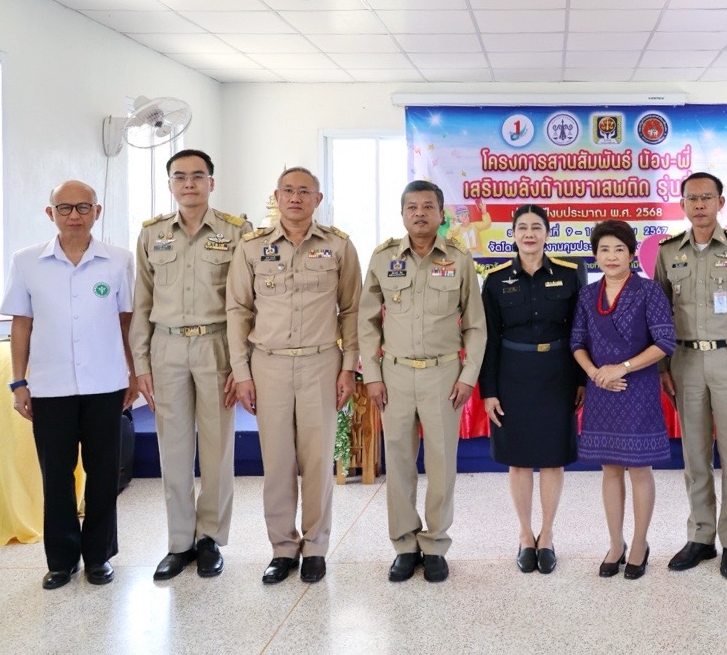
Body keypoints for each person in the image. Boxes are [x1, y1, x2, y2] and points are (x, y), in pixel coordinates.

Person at [1, 180, 138, 589]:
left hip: (105, 383)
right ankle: (61, 560)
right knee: (56, 475)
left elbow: (126, 321)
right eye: (65, 208)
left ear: (98, 211)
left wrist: (132, 374)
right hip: (49, 385)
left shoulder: (118, 261)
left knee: (102, 473)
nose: (74, 215)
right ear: (50, 214)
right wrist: (18, 382)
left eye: (83, 207)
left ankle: (99, 556)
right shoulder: (27, 262)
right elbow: (21, 324)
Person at [227, 167, 361, 585]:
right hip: (268, 363)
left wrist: (349, 367)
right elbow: (237, 310)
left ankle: (316, 546)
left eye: (305, 191)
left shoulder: (338, 245)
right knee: (278, 459)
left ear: (318, 199)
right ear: (277, 196)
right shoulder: (251, 248)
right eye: (288, 191)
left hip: (322, 362)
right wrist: (241, 371)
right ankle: (283, 548)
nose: (296, 198)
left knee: (319, 458)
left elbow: (352, 309)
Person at [131, 149, 251, 581]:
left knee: (218, 447)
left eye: (197, 176)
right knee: (174, 448)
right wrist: (140, 363)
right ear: (170, 184)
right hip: (166, 349)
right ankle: (179, 541)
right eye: (179, 176)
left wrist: (243, 365)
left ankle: (210, 540)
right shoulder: (151, 235)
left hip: (216, 346)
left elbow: (245, 303)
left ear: (211, 183)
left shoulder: (237, 232)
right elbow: (142, 302)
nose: (189, 184)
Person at [358, 180, 486, 585]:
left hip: (444, 374)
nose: (419, 213)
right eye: (411, 207)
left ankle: (435, 544)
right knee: (397, 462)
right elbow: (367, 323)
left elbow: (477, 327)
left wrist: (467, 377)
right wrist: (372, 375)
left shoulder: (460, 260)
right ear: (402, 214)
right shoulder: (382, 259)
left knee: (441, 463)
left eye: (427, 206)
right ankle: (404, 545)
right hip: (393, 376)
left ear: (441, 214)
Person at [654, 172, 727, 580]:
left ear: (721, 202)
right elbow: (661, 316)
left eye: (707, 197)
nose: (700, 204)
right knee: (695, 455)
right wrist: (663, 366)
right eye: (692, 198)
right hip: (685, 362)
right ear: (683, 204)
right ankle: (701, 536)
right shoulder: (669, 252)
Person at [480, 204, 586, 575]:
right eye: (522, 227)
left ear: (548, 233)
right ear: (512, 234)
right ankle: (525, 535)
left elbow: (580, 332)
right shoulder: (495, 280)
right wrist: (488, 390)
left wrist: (580, 380)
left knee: (554, 457)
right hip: (512, 375)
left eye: (536, 227)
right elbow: (489, 338)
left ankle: (548, 534)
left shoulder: (572, 274)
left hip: (557, 372)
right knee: (519, 459)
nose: (529, 234)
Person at [571, 220, 675, 580]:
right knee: (610, 469)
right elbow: (577, 343)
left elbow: (665, 342)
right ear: (595, 255)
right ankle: (615, 544)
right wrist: (596, 373)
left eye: (619, 249)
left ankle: (641, 542)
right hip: (602, 390)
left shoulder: (649, 291)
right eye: (604, 249)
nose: (611, 256)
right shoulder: (587, 295)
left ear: (632, 253)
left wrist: (622, 368)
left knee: (639, 469)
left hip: (637, 388)